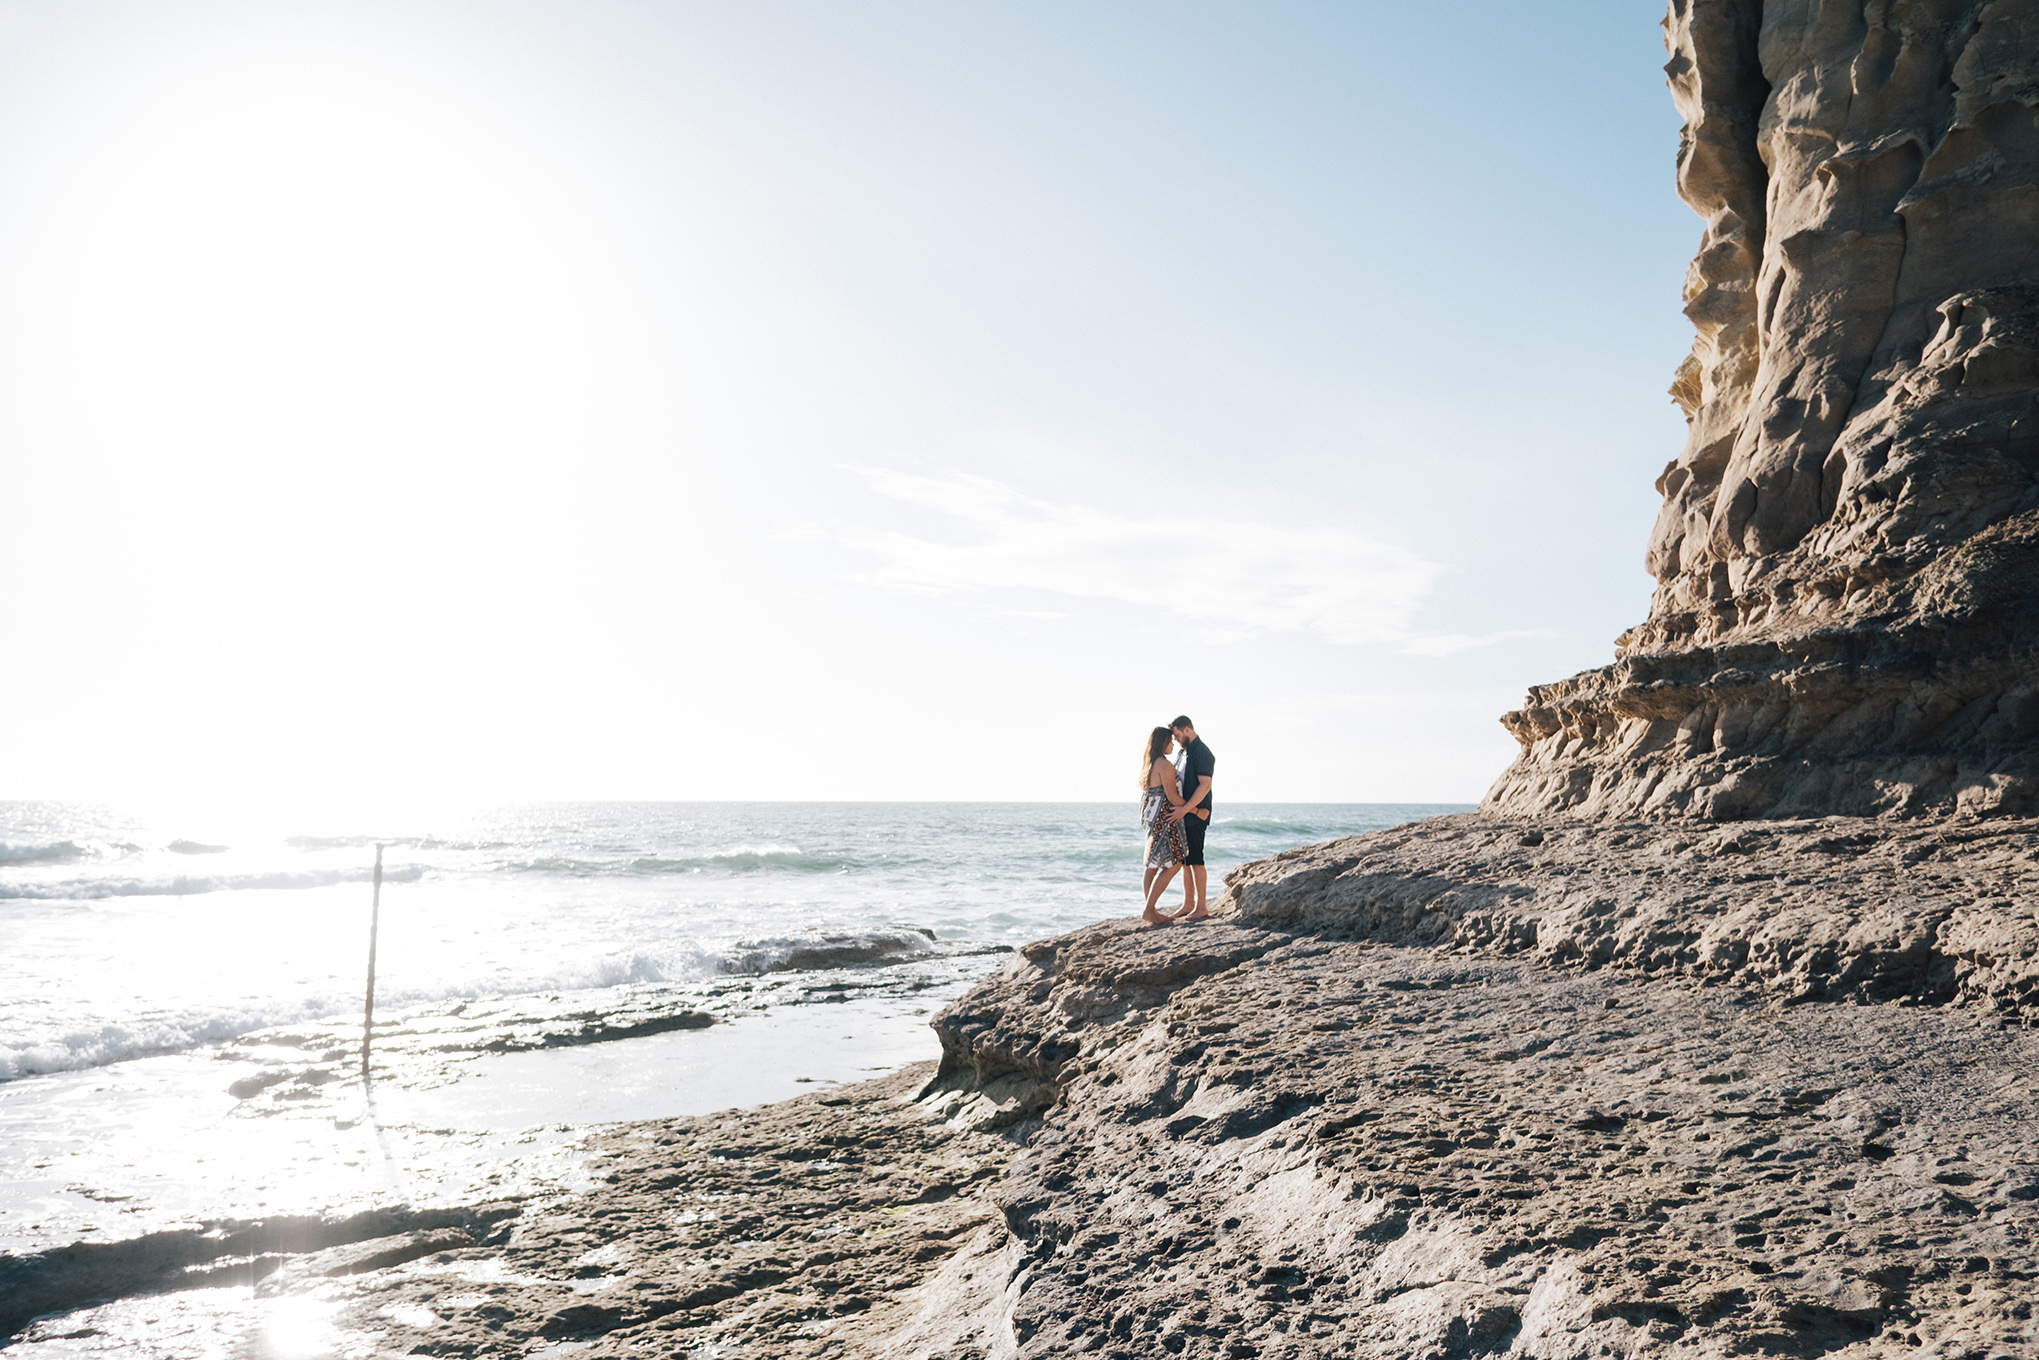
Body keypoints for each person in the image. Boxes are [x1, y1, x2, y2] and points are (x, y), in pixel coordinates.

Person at [1138, 726, 1191, 925]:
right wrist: (1193, 808)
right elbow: (1172, 797)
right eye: (1170, 741)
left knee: (1152, 865)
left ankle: (1150, 910)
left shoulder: (1149, 764)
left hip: (1152, 817)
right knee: (1175, 863)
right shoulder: (1164, 765)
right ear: (1163, 743)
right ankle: (1149, 910)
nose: (1172, 744)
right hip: (1165, 818)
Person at [1164, 716, 1215, 921]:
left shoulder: (1202, 752)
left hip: (1196, 813)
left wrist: (1185, 809)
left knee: (1196, 860)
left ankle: (1201, 906)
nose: (1175, 739)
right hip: (1184, 813)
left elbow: (1205, 786)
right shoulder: (1183, 752)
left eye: (1176, 735)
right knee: (1186, 861)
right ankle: (1188, 904)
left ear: (1187, 730)